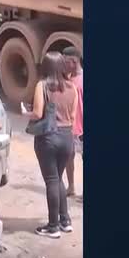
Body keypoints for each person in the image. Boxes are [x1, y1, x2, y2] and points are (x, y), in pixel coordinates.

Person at [30, 51, 79, 238]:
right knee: (58, 178)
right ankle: (65, 221)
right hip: (67, 137)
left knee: (51, 180)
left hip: (48, 138)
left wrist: (25, 113)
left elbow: (37, 113)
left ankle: (53, 227)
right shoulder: (72, 87)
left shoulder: (42, 86)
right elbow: (73, 116)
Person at [62, 47, 84, 199]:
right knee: (69, 157)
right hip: (69, 127)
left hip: (82, 128)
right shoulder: (68, 79)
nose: (63, 64)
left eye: (66, 61)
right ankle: (71, 187)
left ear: (74, 61)